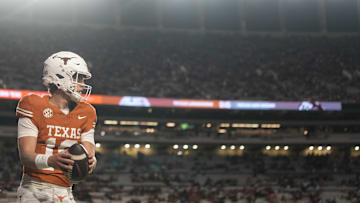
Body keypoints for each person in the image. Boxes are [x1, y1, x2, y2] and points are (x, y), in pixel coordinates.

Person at [16, 51, 97, 203]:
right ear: (59, 76)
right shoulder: (33, 104)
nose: (82, 84)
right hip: (34, 188)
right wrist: (51, 160)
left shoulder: (87, 111)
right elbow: (26, 156)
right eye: (77, 77)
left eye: (82, 79)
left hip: (65, 190)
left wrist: (91, 161)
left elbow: (89, 150)